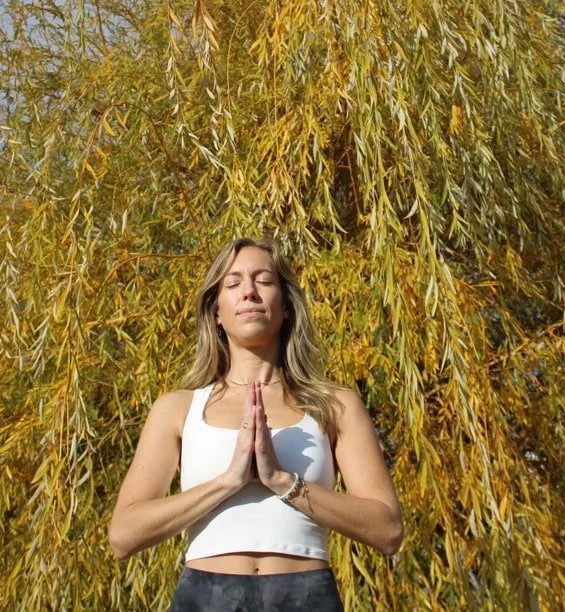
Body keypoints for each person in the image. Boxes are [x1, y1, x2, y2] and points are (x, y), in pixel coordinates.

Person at [109, 238, 403, 611]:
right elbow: (123, 535)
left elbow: (388, 530)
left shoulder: (335, 404)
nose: (248, 292)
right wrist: (227, 482)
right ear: (216, 312)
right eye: (232, 284)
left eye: (263, 280)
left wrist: (283, 481)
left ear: (285, 307)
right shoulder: (177, 408)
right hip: (206, 597)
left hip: (306, 596)